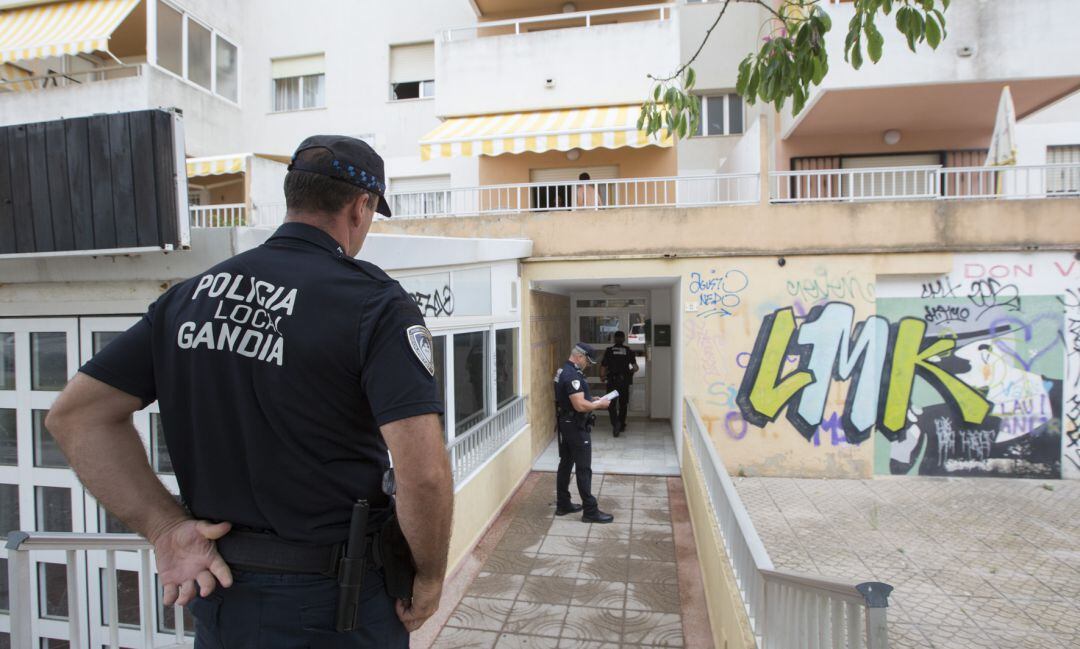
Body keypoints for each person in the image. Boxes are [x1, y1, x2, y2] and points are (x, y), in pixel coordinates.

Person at [45, 135, 454, 648]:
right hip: (335, 604)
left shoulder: (188, 299)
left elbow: (76, 416)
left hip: (221, 592)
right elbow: (424, 475)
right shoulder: (373, 303)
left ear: (293, 196)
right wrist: (431, 577)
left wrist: (166, 529)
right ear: (361, 206)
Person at [553, 343, 614, 523]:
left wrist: (590, 399)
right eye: (588, 361)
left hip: (566, 422)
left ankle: (563, 504)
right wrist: (598, 404)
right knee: (583, 468)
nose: (588, 364)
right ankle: (590, 511)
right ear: (579, 357)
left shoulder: (564, 370)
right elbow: (579, 405)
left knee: (565, 464)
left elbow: (573, 399)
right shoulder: (573, 375)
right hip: (575, 426)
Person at [600, 331, 639, 437]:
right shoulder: (628, 351)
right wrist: (629, 370)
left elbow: (603, 366)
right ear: (624, 339)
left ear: (614, 339)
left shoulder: (609, 351)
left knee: (611, 405)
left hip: (612, 382)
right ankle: (621, 425)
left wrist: (602, 377)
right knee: (623, 404)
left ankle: (615, 423)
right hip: (624, 382)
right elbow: (635, 368)